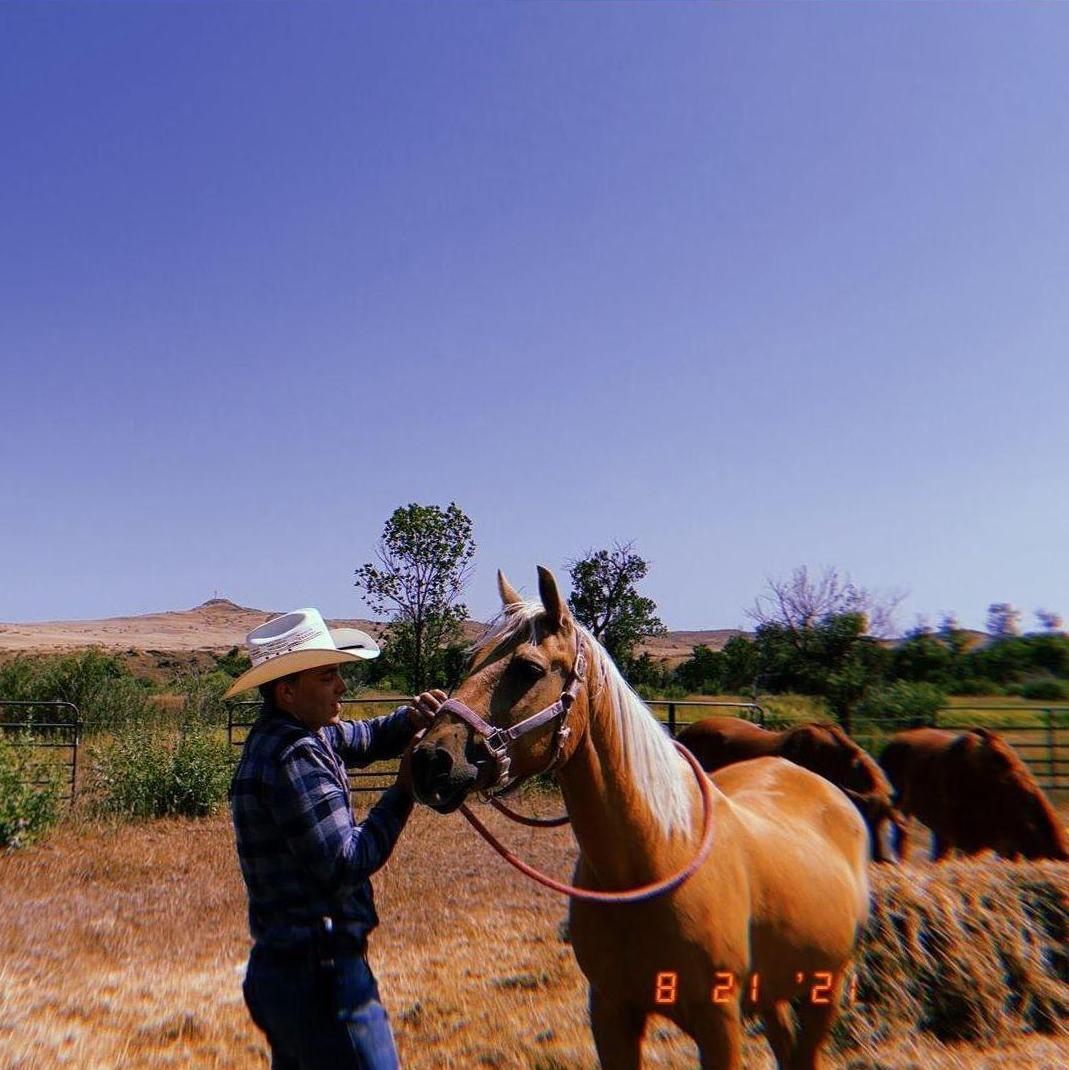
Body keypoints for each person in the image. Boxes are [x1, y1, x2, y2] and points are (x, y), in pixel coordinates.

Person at [226, 607, 445, 1069]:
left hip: (291, 970)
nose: (342, 687)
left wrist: (409, 720)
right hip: (320, 979)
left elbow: (362, 738)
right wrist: (405, 790)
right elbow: (346, 861)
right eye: (328, 677)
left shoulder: (297, 733)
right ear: (287, 691)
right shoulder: (293, 754)